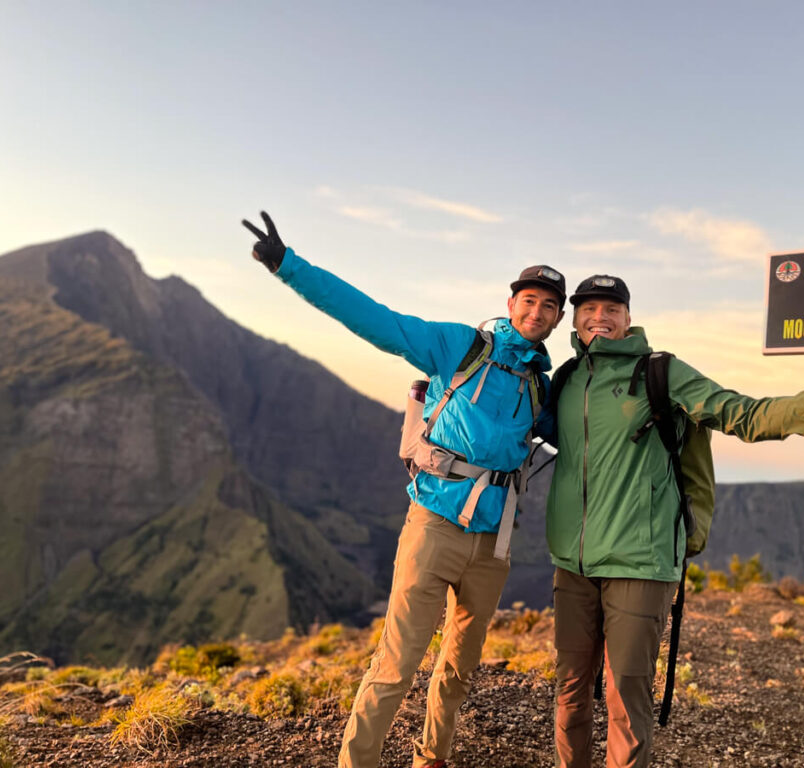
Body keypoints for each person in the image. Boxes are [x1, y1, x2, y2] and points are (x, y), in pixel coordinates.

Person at [242, 211, 566, 768]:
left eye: (549, 306)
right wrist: (289, 267)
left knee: (460, 667)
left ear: (559, 319)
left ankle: (432, 758)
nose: (537, 312)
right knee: (397, 663)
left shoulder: (540, 386)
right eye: (528, 300)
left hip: (494, 542)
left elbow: (589, 431)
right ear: (511, 304)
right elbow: (378, 321)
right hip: (435, 525)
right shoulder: (461, 347)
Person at [543, 274, 804, 768]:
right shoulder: (568, 379)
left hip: (640, 562)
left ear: (628, 318)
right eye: (589, 309)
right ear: (573, 320)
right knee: (570, 691)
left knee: (624, 698)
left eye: (612, 309)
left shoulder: (663, 372)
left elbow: (744, 415)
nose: (600, 317)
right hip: (571, 565)